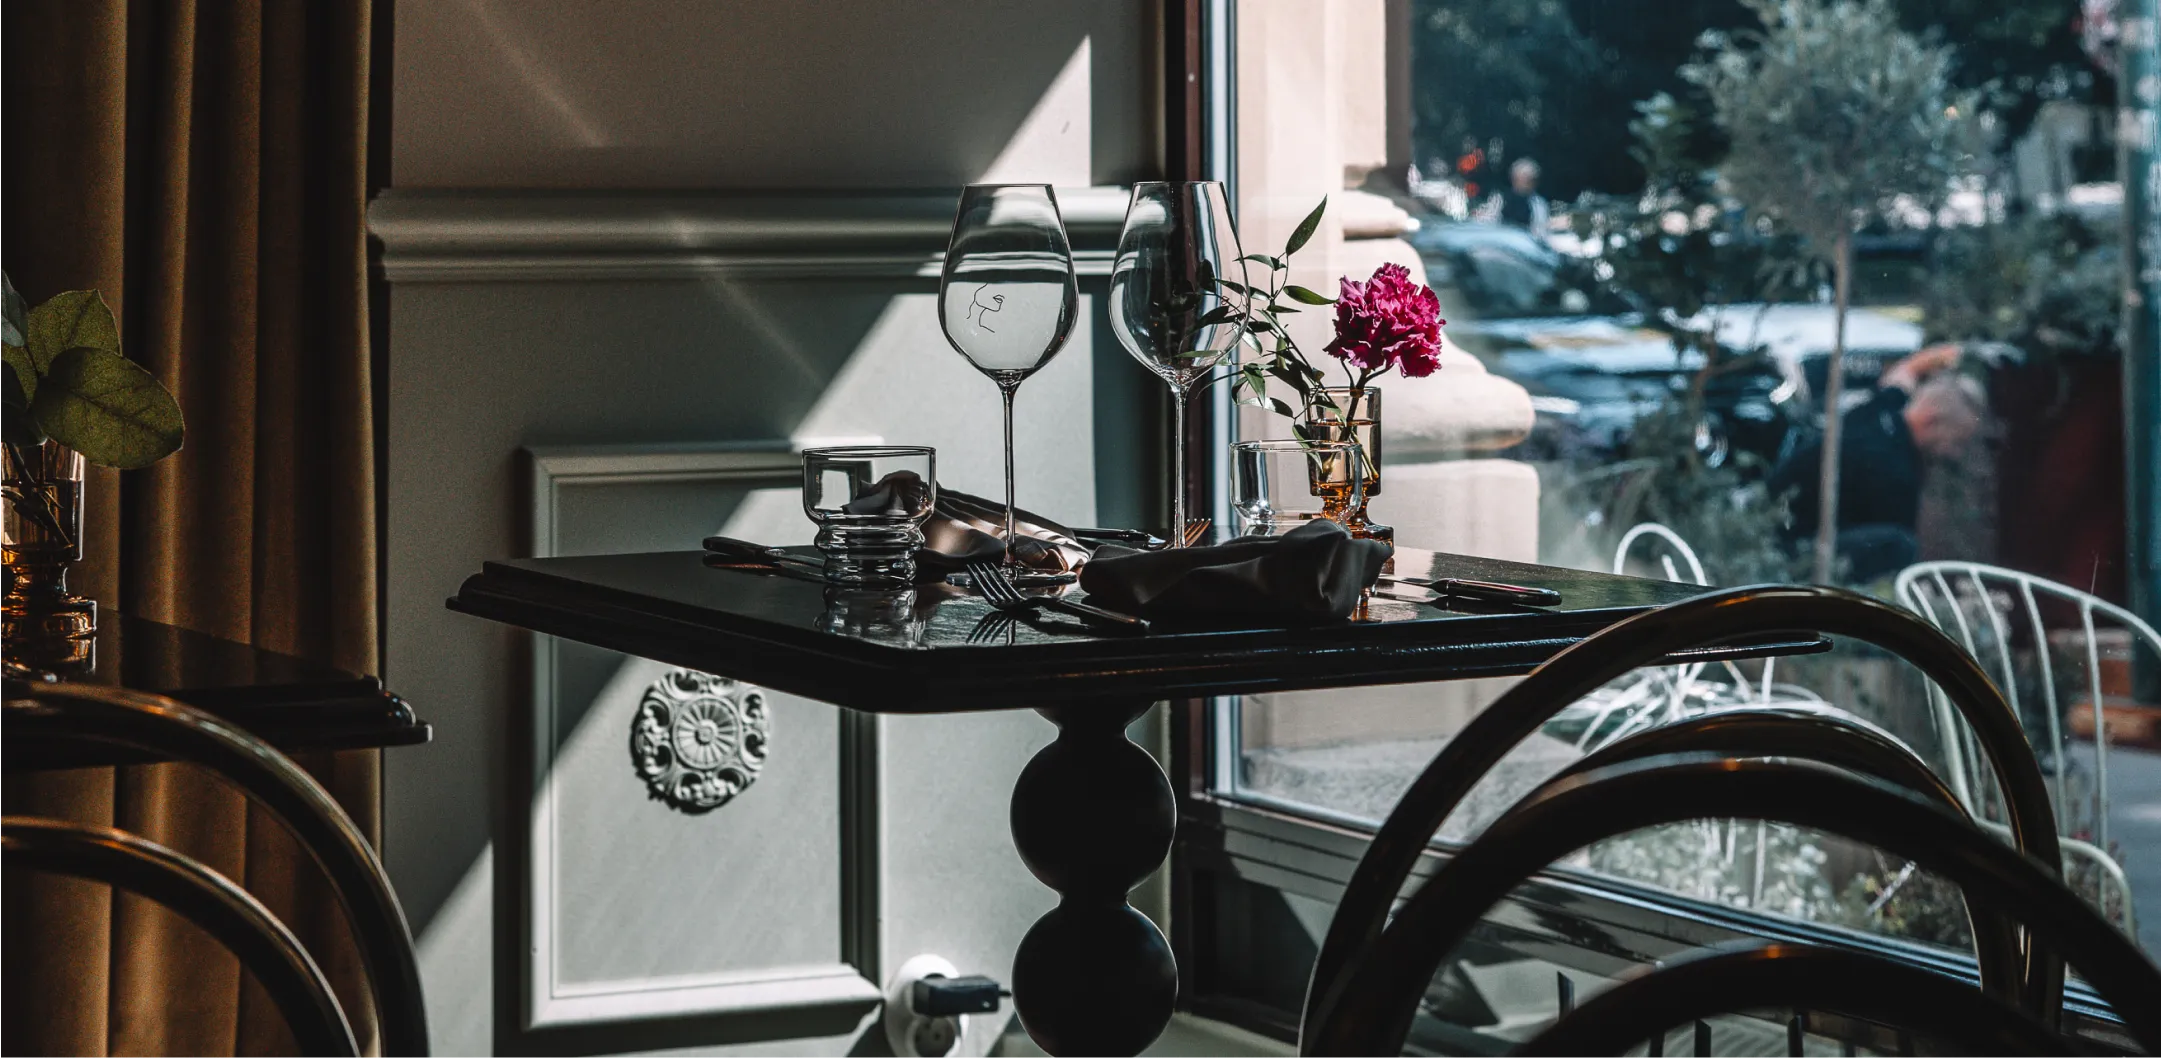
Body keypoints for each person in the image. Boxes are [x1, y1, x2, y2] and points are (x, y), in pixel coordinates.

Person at [1767, 343, 1984, 581]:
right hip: (1792, 553)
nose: (1953, 453)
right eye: (1955, 440)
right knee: (1900, 546)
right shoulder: (1897, 473)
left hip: (1772, 523)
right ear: (1931, 420)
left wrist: (1937, 356)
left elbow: (1903, 374)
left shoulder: (1883, 407)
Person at [1497, 158, 1550, 235]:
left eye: (1530, 180)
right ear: (1513, 179)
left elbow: (1541, 230)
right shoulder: (1500, 200)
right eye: (1522, 178)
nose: (1526, 183)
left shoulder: (1539, 204)